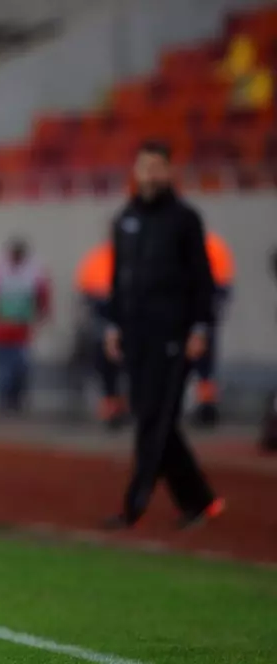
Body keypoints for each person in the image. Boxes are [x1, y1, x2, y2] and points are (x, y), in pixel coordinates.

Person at [102, 140, 224, 531]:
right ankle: (201, 500)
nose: (151, 175)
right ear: (135, 173)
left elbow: (203, 279)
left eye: (157, 167)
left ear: (169, 171)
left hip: (172, 333)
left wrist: (200, 327)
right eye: (144, 167)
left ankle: (133, 507)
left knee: (155, 419)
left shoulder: (185, 219)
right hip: (135, 334)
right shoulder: (125, 220)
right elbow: (118, 280)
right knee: (152, 416)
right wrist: (113, 325)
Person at [0, 236, 50, 414]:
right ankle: (3, 398)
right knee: (2, 365)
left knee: (20, 365)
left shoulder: (34, 271)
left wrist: (42, 315)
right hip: (1, 327)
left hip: (22, 327)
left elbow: (42, 296)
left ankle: (17, 397)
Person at [74, 238, 127, 428]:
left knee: (126, 369)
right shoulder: (97, 259)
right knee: (105, 369)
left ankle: (122, 408)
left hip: (127, 319)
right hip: (102, 319)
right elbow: (85, 291)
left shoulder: (132, 257)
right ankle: (110, 409)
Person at [190, 231, 235, 428]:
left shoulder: (212, 247)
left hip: (203, 305)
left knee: (204, 359)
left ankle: (206, 405)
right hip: (189, 306)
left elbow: (222, 284)